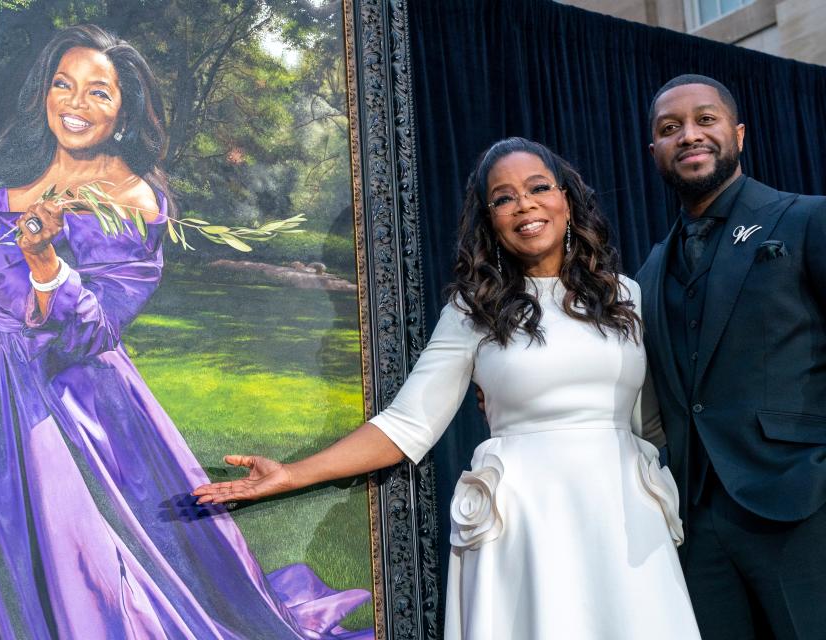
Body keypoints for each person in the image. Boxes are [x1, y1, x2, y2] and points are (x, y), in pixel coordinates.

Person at [0, 24, 370, 640]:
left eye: (98, 92)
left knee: (59, 570)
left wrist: (46, 262)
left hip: (41, 410)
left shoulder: (134, 202)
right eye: (63, 84)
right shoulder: (16, 168)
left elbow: (92, 331)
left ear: (124, 111)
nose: (75, 104)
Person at [195, 137, 703, 639]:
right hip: (524, 522)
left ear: (566, 198)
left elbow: (655, 421)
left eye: (538, 187)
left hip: (624, 514)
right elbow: (407, 424)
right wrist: (290, 474)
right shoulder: (472, 311)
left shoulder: (626, 295)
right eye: (503, 198)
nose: (524, 204)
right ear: (490, 221)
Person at [638, 73, 826, 639]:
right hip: (696, 525)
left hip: (802, 503)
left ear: (739, 135)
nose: (689, 135)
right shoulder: (649, 271)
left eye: (705, 120)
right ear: (656, 153)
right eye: (670, 129)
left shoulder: (806, 218)